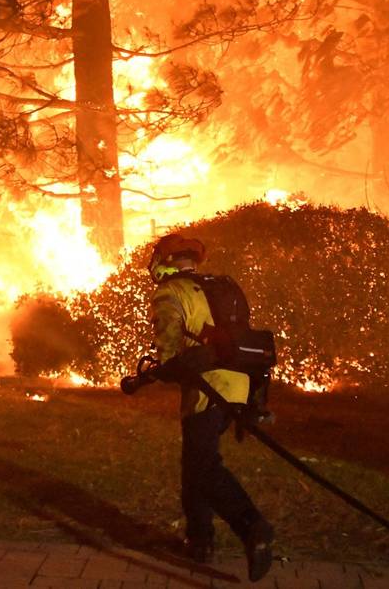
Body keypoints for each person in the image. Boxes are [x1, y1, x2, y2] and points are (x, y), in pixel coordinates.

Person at [147, 232, 274, 582]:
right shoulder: (221, 286)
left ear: (165, 261)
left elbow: (169, 350)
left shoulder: (171, 293)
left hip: (208, 390)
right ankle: (199, 539)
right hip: (241, 386)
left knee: (203, 467)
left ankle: (253, 527)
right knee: (196, 463)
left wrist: (161, 369)